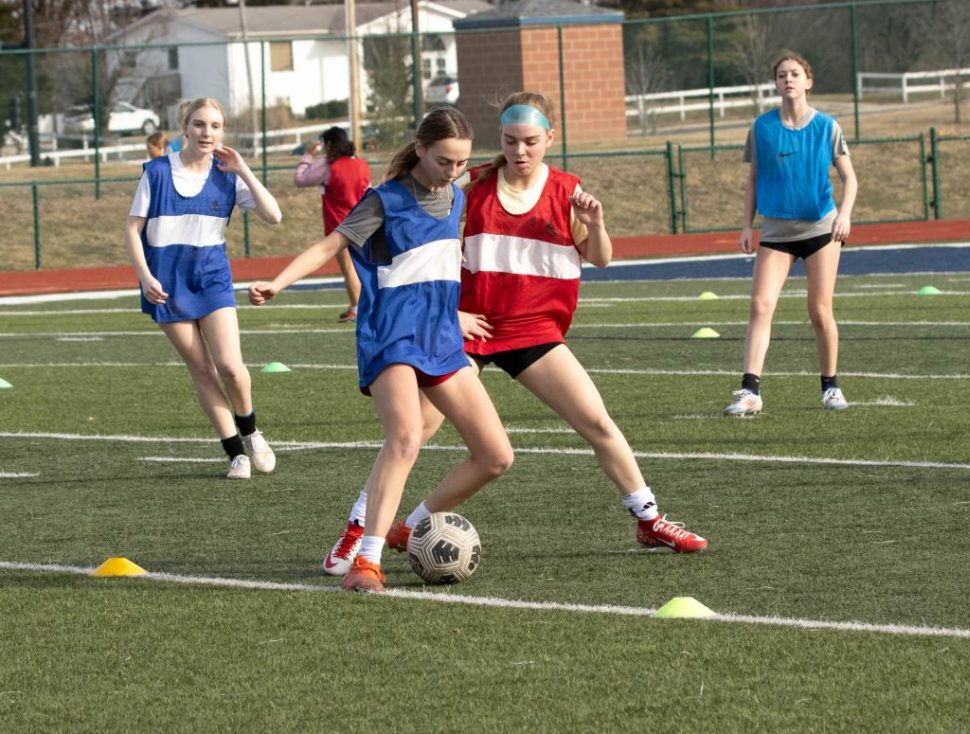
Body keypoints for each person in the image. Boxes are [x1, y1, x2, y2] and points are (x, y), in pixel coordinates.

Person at [321, 92, 706, 577]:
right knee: (411, 431)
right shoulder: (468, 182)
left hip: (533, 329)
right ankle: (359, 528)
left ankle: (648, 519)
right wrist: (449, 313)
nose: (519, 151)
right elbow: (419, 247)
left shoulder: (569, 191)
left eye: (529, 141)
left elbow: (602, 257)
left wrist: (596, 223)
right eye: (508, 141)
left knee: (597, 422)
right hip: (465, 327)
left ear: (550, 138)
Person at [249, 107, 514, 593]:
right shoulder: (384, 201)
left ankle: (406, 527)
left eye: (459, 163)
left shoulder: (455, 196)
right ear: (419, 149)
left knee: (496, 456)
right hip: (391, 336)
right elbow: (329, 246)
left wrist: (451, 314)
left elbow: (430, 268)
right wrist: (279, 282)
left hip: (440, 338)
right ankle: (366, 561)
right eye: (442, 161)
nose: (451, 171)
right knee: (407, 437)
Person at [124, 97, 282, 480]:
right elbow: (132, 229)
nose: (206, 133)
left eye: (214, 126)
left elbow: (274, 216)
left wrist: (243, 168)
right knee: (202, 369)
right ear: (185, 127)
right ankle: (235, 454)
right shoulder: (158, 172)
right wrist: (145, 277)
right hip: (166, 285)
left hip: (212, 279)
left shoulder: (227, 174)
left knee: (231, 366)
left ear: (223, 131)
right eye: (198, 124)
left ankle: (252, 431)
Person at [725, 51, 858, 417]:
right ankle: (750, 390)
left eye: (795, 74)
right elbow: (752, 180)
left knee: (819, 311)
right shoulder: (762, 128)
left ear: (808, 81)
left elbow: (850, 178)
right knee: (760, 305)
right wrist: (746, 226)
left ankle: (830, 386)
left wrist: (844, 215)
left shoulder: (827, 126)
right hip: (776, 232)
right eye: (782, 75)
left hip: (820, 229)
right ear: (776, 83)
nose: (789, 80)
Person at [293, 126, 372, 322]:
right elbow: (368, 191)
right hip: (365, 221)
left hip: (339, 225)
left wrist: (308, 155)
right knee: (365, 267)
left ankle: (357, 306)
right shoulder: (362, 164)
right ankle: (360, 304)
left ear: (328, 144)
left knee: (348, 267)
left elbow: (300, 179)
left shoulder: (329, 164)